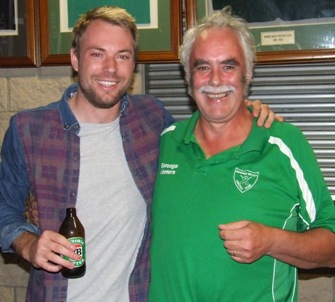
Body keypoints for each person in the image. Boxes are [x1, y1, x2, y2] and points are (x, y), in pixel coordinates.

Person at [0, 6, 277, 302]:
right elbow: (4, 210)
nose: (110, 68)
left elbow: (206, 136)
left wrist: (245, 111)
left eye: (122, 56)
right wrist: (28, 244)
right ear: (74, 59)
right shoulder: (29, 130)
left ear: (133, 64)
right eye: (97, 54)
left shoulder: (152, 118)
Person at [148, 6, 335, 302]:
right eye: (202, 66)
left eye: (228, 66)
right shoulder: (165, 143)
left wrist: (272, 240)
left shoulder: (283, 144)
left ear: (247, 73)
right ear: (188, 76)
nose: (215, 80)